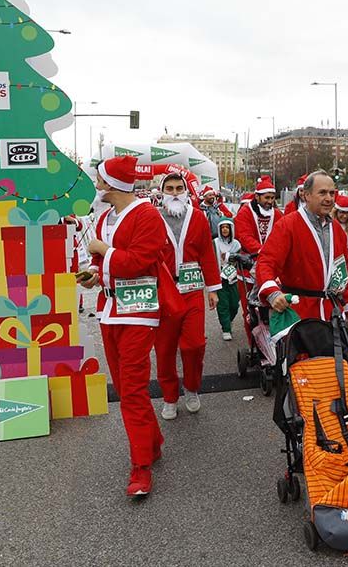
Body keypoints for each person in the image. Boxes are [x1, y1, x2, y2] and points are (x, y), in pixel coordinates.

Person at [81, 155, 172, 497]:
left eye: (101, 180)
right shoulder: (106, 217)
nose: (98, 185)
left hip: (138, 311)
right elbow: (100, 262)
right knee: (124, 386)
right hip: (109, 309)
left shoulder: (147, 215)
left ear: (113, 184)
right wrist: (91, 275)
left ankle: (141, 468)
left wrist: (103, 250)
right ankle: (153, 442)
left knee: (132, 390)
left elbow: (137, 262)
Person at [154, 169, 221, 420]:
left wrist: (213, 289)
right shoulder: (153, 217)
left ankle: (191, 387)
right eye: (169, 189)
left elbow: (206, 253)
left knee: (194, 344)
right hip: (165, 292)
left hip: (193, 290)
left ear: (185, 191)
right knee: (164, 349)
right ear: (162, 192)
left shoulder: (198, 217)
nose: (174, 193)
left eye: (178, 189)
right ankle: (169, 396)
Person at [257, 170, 348, 321]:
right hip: (298, 312)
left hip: (332, 311)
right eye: (322, 193)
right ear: (306, 195)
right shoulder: (288, 225)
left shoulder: (337, 229)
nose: (329, 198)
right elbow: (266, 262)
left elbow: (342, 271)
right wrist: (273, 293)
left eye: (332, 193)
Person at [234, 175, 283, 344]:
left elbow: (284, 235)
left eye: (272, 198)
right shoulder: (245, 213)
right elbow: (244, 235)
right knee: (250, 310)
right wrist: (264, 250)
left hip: (271, 270)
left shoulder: (277, 214)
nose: (270, 201)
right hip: (248, 269)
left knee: (273, 306)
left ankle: (273, 343)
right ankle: (253, 343)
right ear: (257, 197)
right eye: (267, 198)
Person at [214, 219, 241, 342]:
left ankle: (228, 320)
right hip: (219, 278)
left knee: (234, 304)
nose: (225, 229)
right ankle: (226, 329)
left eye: (227, 227)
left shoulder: (236, 244)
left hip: (233, 278)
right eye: (222, 227)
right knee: (223, 304)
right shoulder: (214, 243)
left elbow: (240, 261)